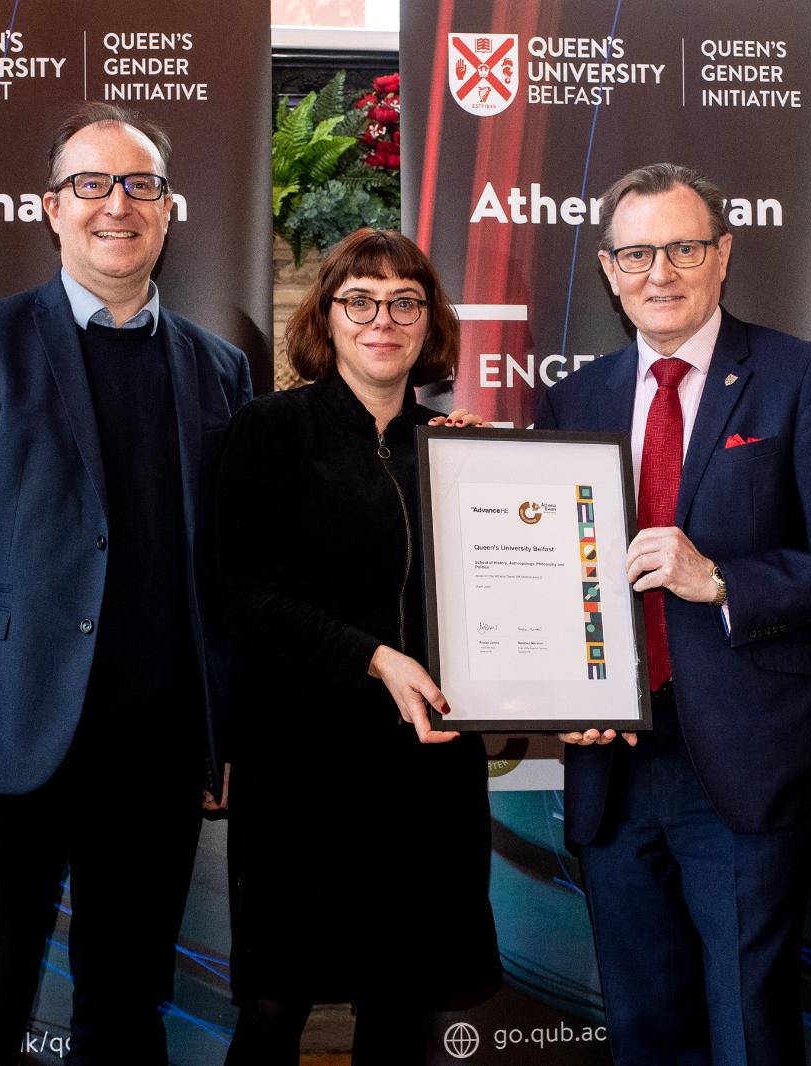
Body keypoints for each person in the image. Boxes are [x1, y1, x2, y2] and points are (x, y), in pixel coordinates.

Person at [0, 102, 251, 1064]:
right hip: (2, 748)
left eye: (140, 185)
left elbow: (230, 571)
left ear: (167, 208)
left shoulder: (219, 369)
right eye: (91, 183)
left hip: (159, 755)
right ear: (52, 208)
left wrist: (224, 733)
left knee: (126, 1017)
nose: (116, 204)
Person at [533, 163, 811, 1065]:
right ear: (609, 270)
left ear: (722, 255)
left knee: (748, 1030)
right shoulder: (574, 399)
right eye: (636, 254)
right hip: (612, 765)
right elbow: (551, 578)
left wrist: (722, 580)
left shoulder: (796, 376)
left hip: (745, 763)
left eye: (683, 249)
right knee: (643, 1030)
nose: (660, 272)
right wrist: (555, 690)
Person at [216, 228, 500, 1065]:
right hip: (301, 769)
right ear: (327, 317)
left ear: (429, 321)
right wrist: (375, 658)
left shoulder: (456, 447)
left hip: (427, 769)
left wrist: (498, 475)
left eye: (405, 302)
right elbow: (242, 596)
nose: (384, 319)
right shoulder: (271, 430)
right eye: (361, 301)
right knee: (275, 1007)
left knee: (401, 1010)